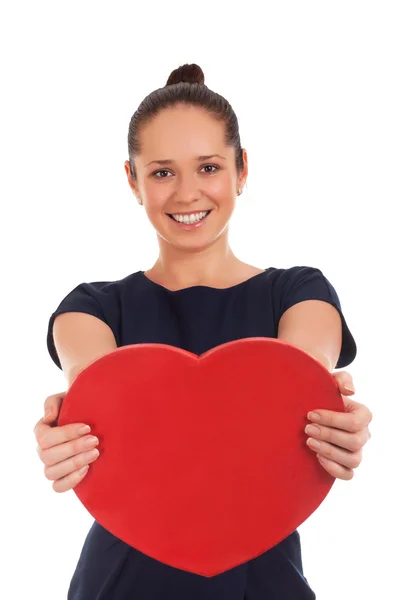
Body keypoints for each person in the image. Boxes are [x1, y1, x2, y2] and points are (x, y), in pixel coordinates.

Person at [34, 63, 372, 599]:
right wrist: (72, 428)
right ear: (132, 181)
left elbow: (299, 379)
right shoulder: (91, 308)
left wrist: (330, 425)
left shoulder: (300, 293)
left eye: (209, 167)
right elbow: (94, 385)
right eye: (162, 172)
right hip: (121, 583)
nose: (188, 193)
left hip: (265, 582)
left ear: (242, 170)